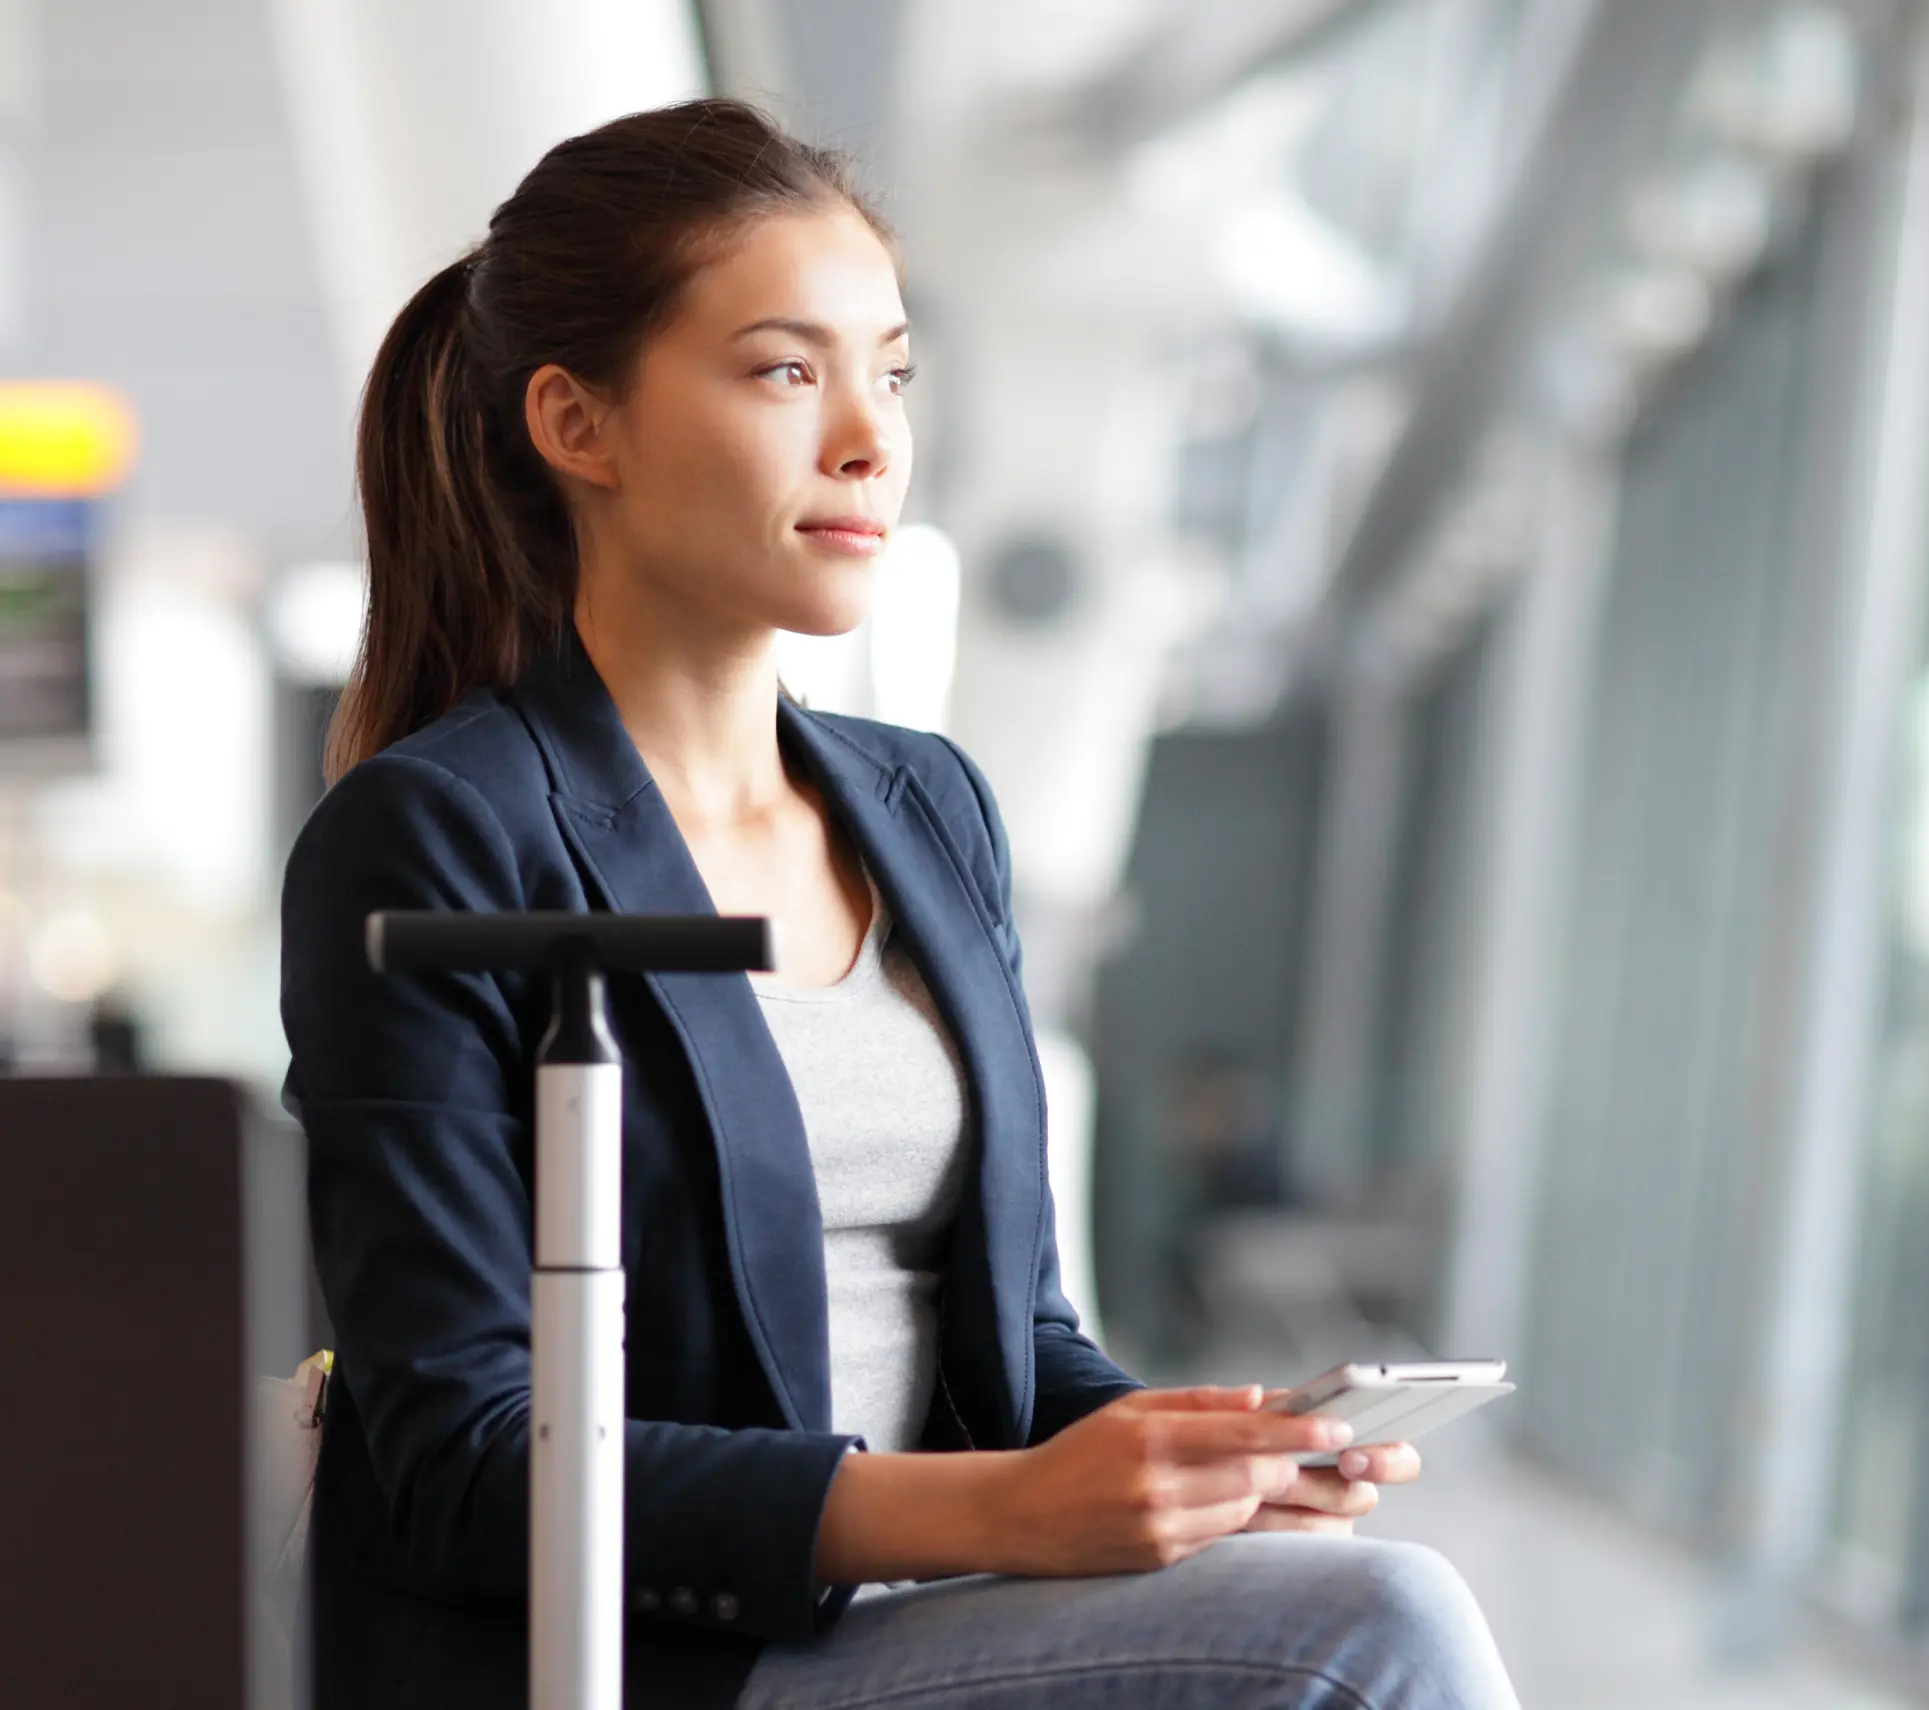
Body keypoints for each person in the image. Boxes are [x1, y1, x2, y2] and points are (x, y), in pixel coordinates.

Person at [277, 98, 1517, 1710]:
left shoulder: (927, 806)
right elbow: (462, 1457)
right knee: (1379, 1639)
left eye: (895, 370)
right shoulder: (438, 837)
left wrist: (1189, 1458)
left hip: (920, 1613)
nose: (870, 436)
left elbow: (1016, 1332)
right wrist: (1000, 1507)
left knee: (1342, 1591)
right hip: (655, 1661)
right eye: (788, 369)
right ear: (578, 425)